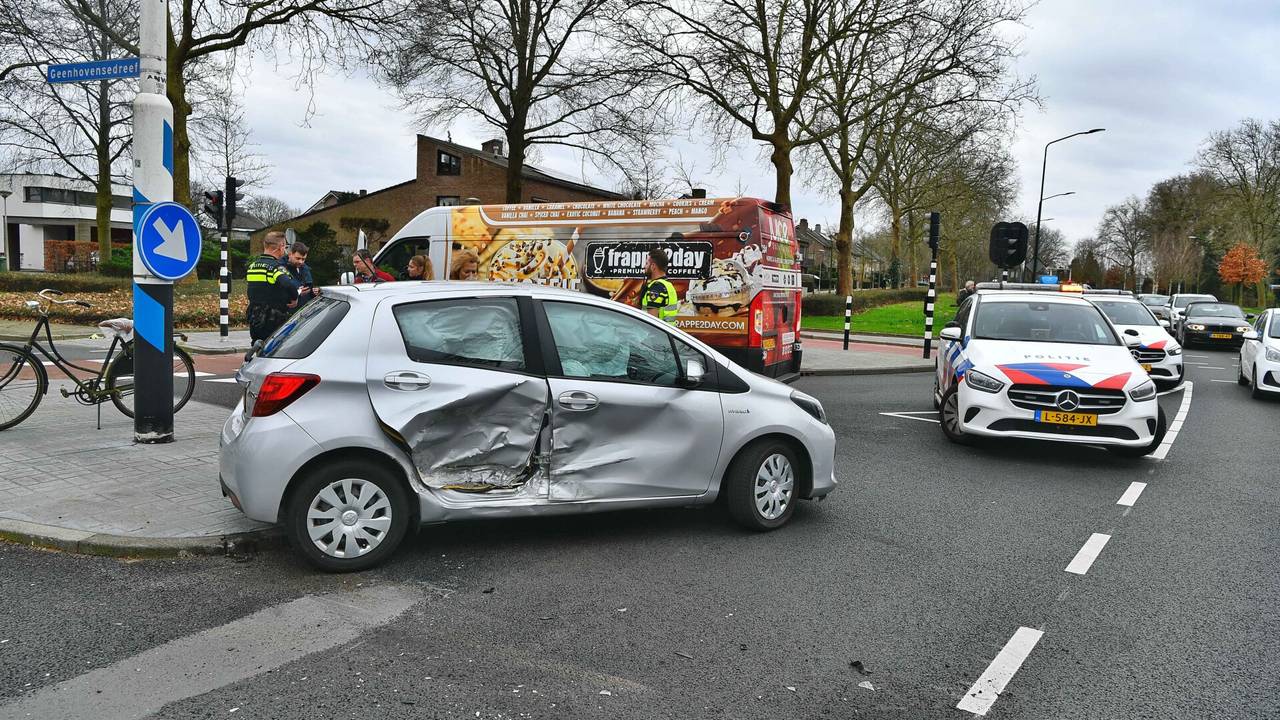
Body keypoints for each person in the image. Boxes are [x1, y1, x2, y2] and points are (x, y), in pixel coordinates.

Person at [246, 231, 300, 341]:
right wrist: (294, 298)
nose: (285, 250)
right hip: (272, 318)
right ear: (280, 247)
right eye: (285, 247)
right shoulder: (275, 268)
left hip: (254, 316)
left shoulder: (252, 266)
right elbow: (288, 284)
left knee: (257, 345)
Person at [639, 247, 679, 324]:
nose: (644, 266)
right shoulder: (668, 285)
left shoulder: (656, 288)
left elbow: (651, 321)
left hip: (654, 332)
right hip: (667, 330)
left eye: (647, 263)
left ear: (653, 266)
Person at [282, 240, 318, 313]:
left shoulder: (305, 268)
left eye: (303, 259)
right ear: (290, 254)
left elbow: (309, 288)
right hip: (288, 313)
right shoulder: (280, 267)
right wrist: (297, 293)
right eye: (298, 258)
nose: (301, 262)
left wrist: (314, 292)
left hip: (305, 312)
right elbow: (278, 292)